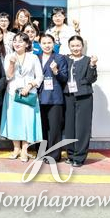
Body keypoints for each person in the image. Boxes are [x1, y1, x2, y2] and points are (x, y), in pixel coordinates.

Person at [0, 32, 43, 162]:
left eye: (20, 41)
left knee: (27, 121)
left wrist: (29, 86)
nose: (17, 43)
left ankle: (25, 150)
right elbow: (8, 77)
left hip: (29, 94)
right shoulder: (9, 56)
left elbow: (39, 76)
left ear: (27, 44)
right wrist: (12, 64)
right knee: (14, 121)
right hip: (13, 93)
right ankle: (16, 148)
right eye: (15, 41)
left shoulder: (33, 57)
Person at [64, 35, 98, 167]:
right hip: (68, 95)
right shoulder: (65, 59)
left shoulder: (88, 60)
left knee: (82, 127)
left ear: (82, 46)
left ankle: (79, 157)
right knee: (69, 126)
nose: (75, 48)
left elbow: (91, 79)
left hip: (84, 96)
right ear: (69, 46)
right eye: (72, 46)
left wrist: (92, 65)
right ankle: (70, 154)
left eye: (78, 45)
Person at [37, 33, 68, 163]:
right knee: (41, 127)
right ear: (40, 45)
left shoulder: (59, 58)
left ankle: (54, 155)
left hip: (54, 98)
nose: (47, 45)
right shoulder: (36, 58)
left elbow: (64, 78)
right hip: (39, 97)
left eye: (49, 43)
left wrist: (56, 71)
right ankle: (41, 153)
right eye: (44, 43)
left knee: (55, 128)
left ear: (54, 44)